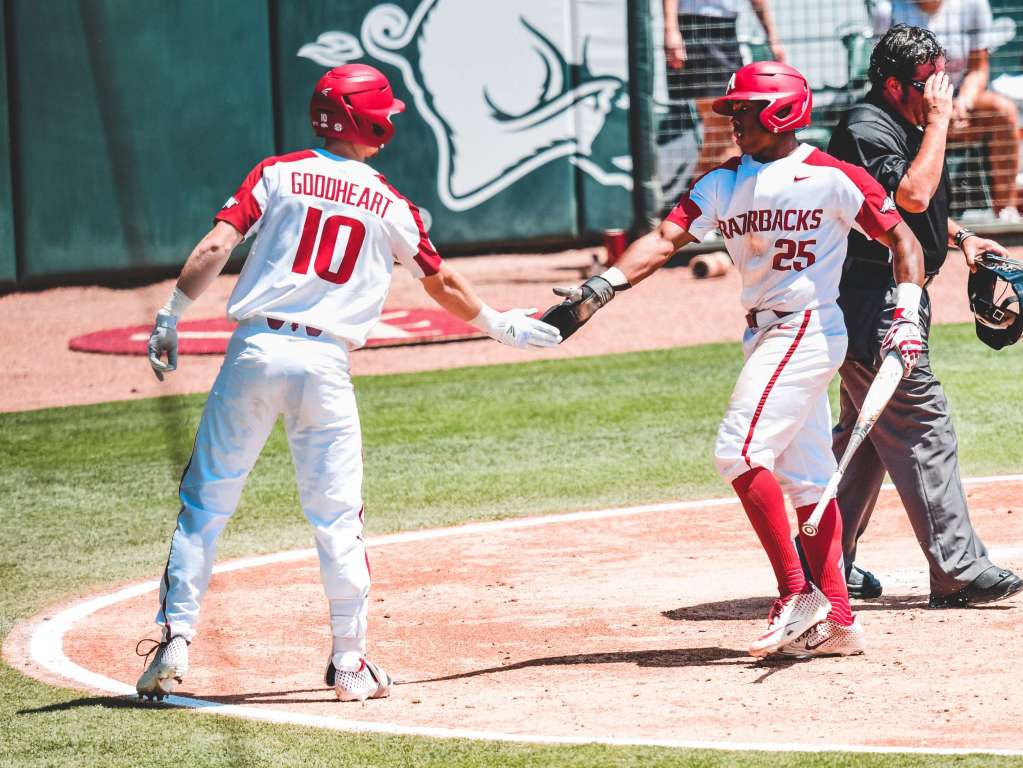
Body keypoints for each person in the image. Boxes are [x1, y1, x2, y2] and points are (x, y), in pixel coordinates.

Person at [136, 64, 561, 702]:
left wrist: (170, 314)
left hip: (253, 352)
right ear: (370, 122)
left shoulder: (276, 171)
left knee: (205, 504)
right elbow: (441, 282)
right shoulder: (388, 200)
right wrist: (502, 326)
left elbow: (215, 248)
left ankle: (176, 638)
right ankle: (350, 662)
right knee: (338, 518)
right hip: (324, 364)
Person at [547, 61, 925, 657]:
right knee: (808, 480)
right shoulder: (722, 182)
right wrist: (602, 286)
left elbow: (903, 239)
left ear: (781, 112)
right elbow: (665, 239)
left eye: (744, 110)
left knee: (739, 451)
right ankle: (838, 619)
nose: (733, 120)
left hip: (806, 327)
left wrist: (906, 312)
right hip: (766, 334)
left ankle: (798, 594)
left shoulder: (832, 176)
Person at [824, 24, 1023, 607]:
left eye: (944, 79)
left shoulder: (903, 125)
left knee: (865, 440)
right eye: (929, 82)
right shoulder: (865, 128)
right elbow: (909, 196)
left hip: (889, 296)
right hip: (872, 300)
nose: (941, 91)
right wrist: (939, 122)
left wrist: (961, 238)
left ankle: (824, 561)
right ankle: (958, 570)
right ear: (894, 84)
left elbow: (910, 211)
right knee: (920, 423)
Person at [873, 0, 1020, 221]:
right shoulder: (888, 9)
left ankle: (1006, 212)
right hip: (911, 106)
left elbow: (979, 68)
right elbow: (883, 77)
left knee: (1003, 111)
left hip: (959, 105)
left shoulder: (973, 5)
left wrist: (962, 103)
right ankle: (914, 216)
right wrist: (933, 113)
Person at [663, 0, 786, 182]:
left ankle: (698, 197)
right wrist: (671, 29)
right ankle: (717, 195)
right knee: (724, 132)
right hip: (696, 28)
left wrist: (772, 37)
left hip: (727, 30)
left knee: (720, 136)